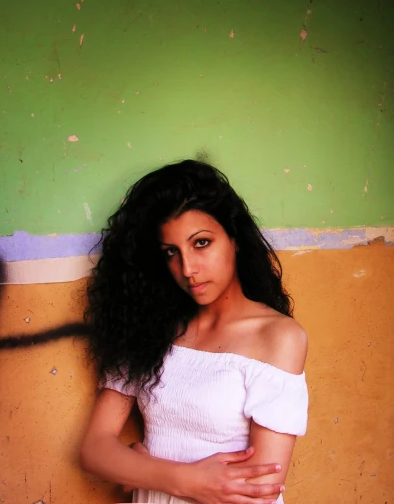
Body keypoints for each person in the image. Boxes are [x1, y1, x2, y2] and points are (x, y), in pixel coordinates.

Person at [79, 159, 309, 504]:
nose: (188, 269)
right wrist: (185, 479)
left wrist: (138, 468)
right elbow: (94, 449)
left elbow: (257, 494)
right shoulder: (151, 328)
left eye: (201, 243)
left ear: (235, 239)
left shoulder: (278, 337)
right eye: (171, 252)